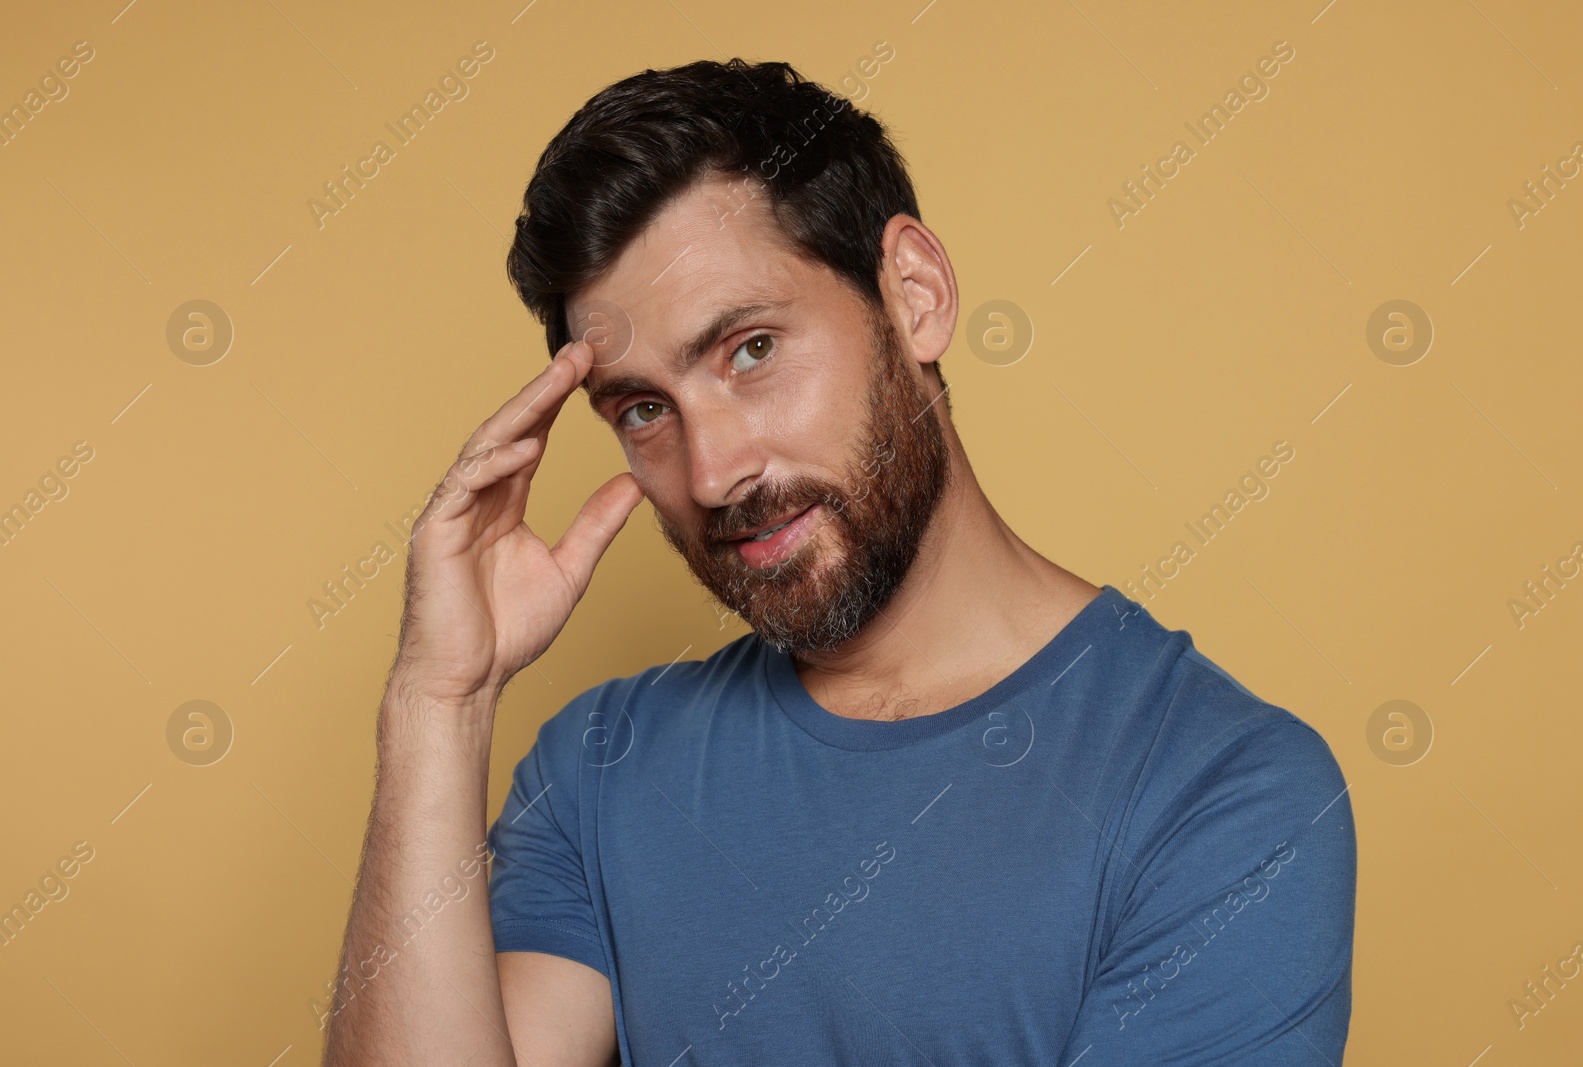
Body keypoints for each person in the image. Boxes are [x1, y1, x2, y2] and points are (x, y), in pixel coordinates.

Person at [322, 58, 1356, 1066]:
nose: (715, 470)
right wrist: (439, 700)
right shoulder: (597, 768)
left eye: (750, 350)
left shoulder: (1220, 789)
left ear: (912, 294)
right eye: (643, 409)